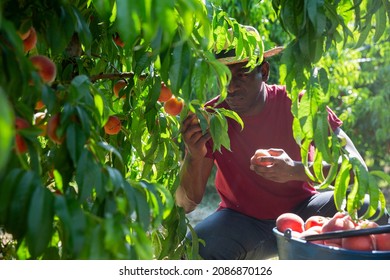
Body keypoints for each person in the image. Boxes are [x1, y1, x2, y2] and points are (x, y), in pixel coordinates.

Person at [176, 25, 389, 260]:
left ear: (264, 71)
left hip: (305, 210)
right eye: (223, 77)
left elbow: (358, 170)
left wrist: (295, 170)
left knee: (370, 208)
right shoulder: (212, 118)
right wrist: (194, 156)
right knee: (194, 250)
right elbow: (185, 204)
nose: (231, 87)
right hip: (241, 220)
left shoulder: (299, 105)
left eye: (242, 74)